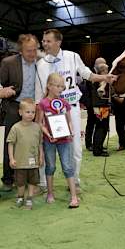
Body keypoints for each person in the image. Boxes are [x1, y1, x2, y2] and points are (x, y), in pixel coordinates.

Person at [35, 29, 116, 191]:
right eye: (43, 41)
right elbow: (39, 92)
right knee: (46, 145)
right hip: (49, 112)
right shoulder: (41, 64)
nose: (44, 44)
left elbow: (87, 74)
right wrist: (39, 114)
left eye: (48, 41)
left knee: (75, 146)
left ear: (58, 42)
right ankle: (44, 182)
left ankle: (74, 180)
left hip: (70, 109)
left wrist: (103, 77)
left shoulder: (72, 56)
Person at [0, 34, 39, 192]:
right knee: (11, 142)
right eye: (29, 51)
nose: (32, 54)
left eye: (35, 50)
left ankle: (30, 180)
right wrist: (2, 91)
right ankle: (8, 180)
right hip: (13, 106)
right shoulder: (8, 62)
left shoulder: (41, 62)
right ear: (20, 50)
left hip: (34, 108)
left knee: (32, 143)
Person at [36, 73, 79, 208]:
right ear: (49, 86)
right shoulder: (42, 104)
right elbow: (39, 123)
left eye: (62, 86)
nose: (61, 89)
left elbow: (69, 121)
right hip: (49, 141)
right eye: (58, 86)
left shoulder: (64, 103)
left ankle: (73, 196)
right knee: (51, 166)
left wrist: (71, 131)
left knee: (67, 167)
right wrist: (48, 134)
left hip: (65, 140)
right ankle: (50, 193)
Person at [7, 98, 43, 209]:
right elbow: (11, 144)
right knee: (20, 182)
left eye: (33, 112)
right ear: (20, 112)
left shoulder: (37, 127)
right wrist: (11, 158)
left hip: (34, 162)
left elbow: (40, 144)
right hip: (20, 162)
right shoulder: (16, 128)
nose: (30, 114)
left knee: (33, 181)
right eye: (28, 112)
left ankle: (30, 198)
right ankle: (20, 196)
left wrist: (41, 157)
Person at [83, 57, 107, 152]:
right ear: (96, 66)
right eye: (102, 66)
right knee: (91, 124)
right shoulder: (91, 76)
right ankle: (89, 144)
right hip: (93, 105)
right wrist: (90, 106)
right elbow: (89, 92)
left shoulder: (104, 76)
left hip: (102, 105)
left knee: (100, 126)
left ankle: (98, 144)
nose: (104, 68)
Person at [91, 63, 111, 157]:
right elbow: (100, 92)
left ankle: (98, 147)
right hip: (102, 106)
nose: (108, 71)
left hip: (98, 106)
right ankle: (97, 150)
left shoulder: (96, 78)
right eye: (106, 70)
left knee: (100, 127)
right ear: (103, 71)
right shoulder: (102, 79)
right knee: (102, 128)